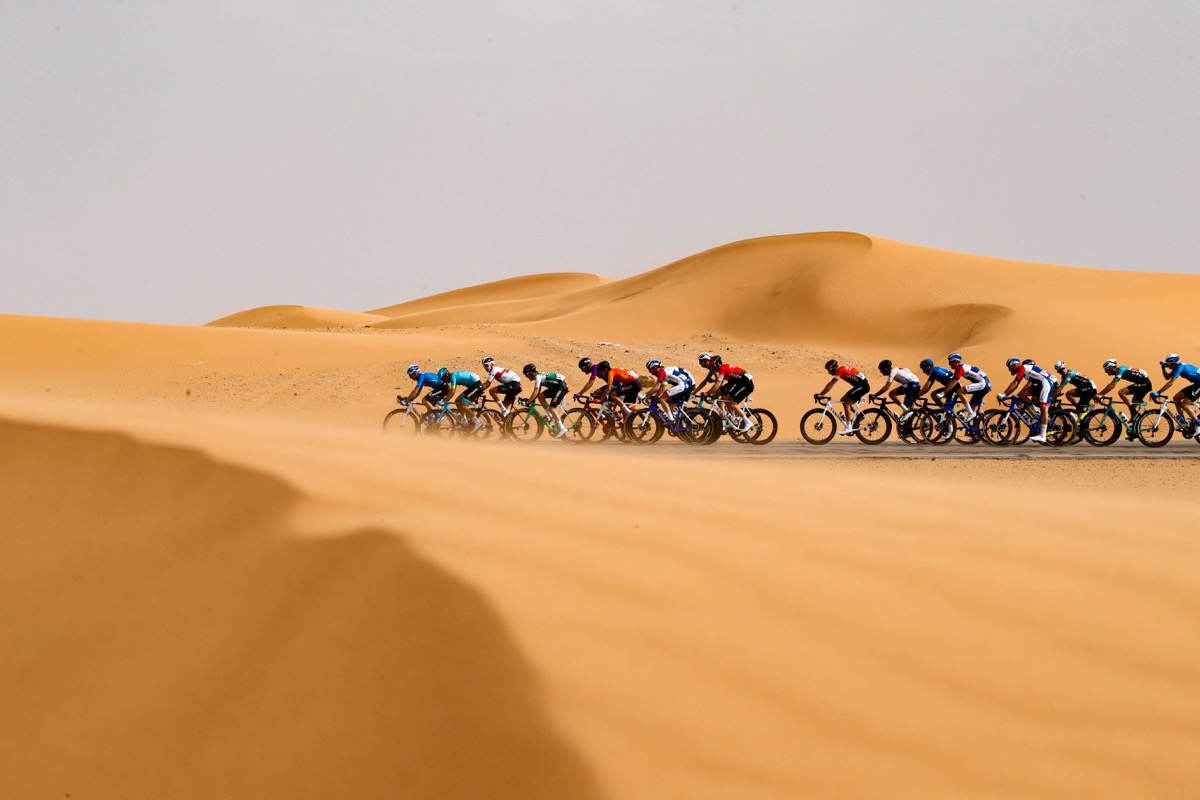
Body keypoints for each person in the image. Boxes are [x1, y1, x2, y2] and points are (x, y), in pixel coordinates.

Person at [997, 357, 1057, 443]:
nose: (1009, 369)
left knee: (1044, 408)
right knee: (1022, 394)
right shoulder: (1026, 371)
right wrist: (1017, 395)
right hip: (1042, 384)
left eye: (1009, 367)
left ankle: (1043, 436)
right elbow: (1026, 387)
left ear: (1014, 365)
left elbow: (1015, 383)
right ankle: (1036, 413)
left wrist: (1004, 394)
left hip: (1046, 384)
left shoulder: (1022, 368)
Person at [697, 353, 754, 432]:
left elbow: (718, 384)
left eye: (715, 367)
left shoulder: (722, 368)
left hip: (744, 384)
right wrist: (711, 394)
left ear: (719, 364)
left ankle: (748, 422)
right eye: (713, 367)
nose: (715, 369)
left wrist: (707, 393)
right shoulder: (722, 368)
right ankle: (733, 420)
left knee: (732, 404)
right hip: (736, 382)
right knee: (724, 399)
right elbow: (720, 386)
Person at [817, 359, 870, 435]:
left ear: (834, 368)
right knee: (843, 400)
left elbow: (831, 383)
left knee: (847, 404)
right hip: (860, 385)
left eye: (829, 370)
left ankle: (848, 427)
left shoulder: (840, 370)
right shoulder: (842, 369)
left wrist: (821, 394)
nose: (828, 372)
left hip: (862, 386)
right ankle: (859, 416)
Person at [1156, 354, 1200, 435]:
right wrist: (1163, 369)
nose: (1168, 367)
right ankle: (1182, 421)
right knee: (1176, 398)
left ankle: (1198, 424)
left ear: (1174, 363)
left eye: (1169, 365)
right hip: (1196, 383)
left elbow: (1170, 383)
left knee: (1185, 405)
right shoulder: (1177, 367)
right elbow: (1167, 377)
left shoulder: (1179, 368)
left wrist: (1158, 392)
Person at [521, 363, 570, 437]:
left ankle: (562, 428)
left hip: (561, 387)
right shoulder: (539, 375)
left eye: (527, 375)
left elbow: (536, 391)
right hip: (557, 387)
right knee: (541, 396)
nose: (527, 377)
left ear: (531, 372)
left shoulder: (538, 376)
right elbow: (538, 393)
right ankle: (550, 415)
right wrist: (531, 399)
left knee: (552, 408)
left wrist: (528, 402)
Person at [943, 353, 990, 420]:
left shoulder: (960, 368)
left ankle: (971, 413)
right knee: (972, 407)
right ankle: (983, 424)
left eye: (951, 362)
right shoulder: (959, 368)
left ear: (956, 362)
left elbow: (954, 382)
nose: (949, 364)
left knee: (959, 391)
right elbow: (952, 381)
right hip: (984, 384)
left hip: (982, 384)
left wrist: (942, 393)